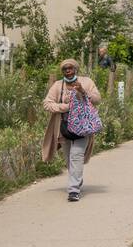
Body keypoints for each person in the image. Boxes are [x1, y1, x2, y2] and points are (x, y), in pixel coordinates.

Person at [42, 59, 102, 203]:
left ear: (76, 69)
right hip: (64, 128)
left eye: (70, 68)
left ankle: (73, 190)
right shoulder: (58, 85)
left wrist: (83, 91)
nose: (68, 71)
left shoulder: (87, 82)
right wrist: (66, 107)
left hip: (83, 128)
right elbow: (47, 103)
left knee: (76, 156)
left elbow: (97, 99)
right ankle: (77, 180)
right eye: (65, 69)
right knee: (69, 160)